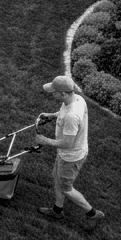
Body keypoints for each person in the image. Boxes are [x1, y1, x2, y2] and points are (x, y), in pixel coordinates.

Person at [34, 74, 105, 221]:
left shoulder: (72, 116)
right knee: (57, 178)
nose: (51, 93)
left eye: (54, 92)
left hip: (71, 157)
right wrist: (53, 115)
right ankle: (57, 210)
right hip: (65, 154)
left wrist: (45, 140)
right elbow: (64, 112)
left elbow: (67, 143)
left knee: (66, 188)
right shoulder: (76, 99)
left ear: (63, 94)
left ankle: (93, 214)